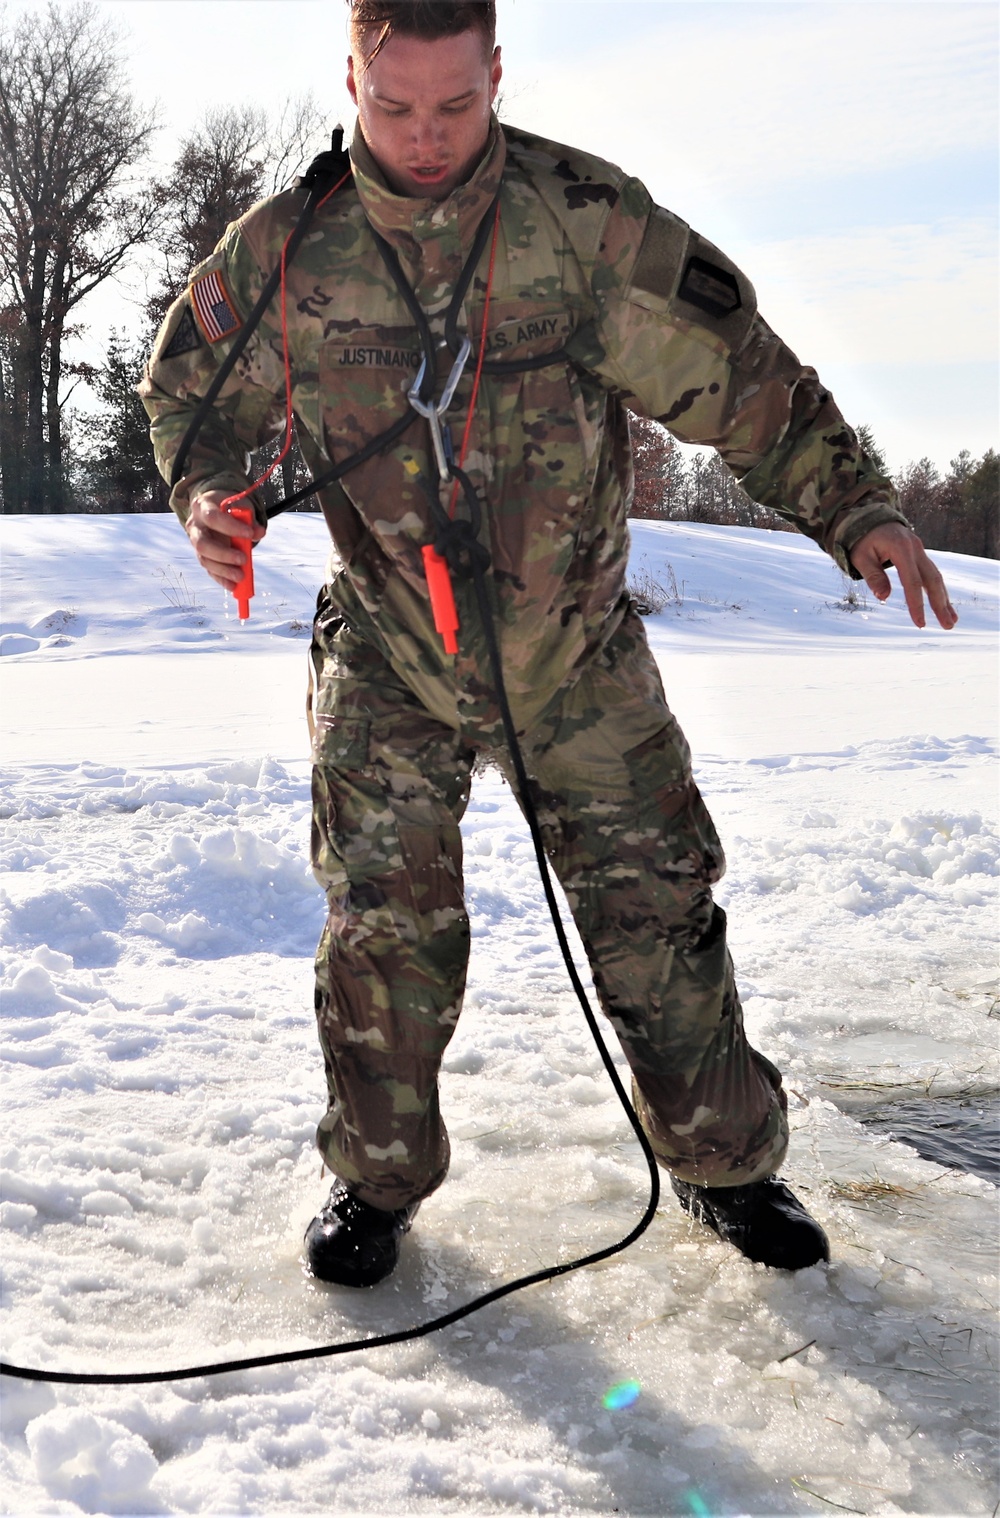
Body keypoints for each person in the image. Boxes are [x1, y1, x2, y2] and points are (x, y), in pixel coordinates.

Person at [140, 0, 956, 1289]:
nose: (423, 136)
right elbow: (188, 396)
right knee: (385, 935)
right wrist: (209, 503)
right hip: (390, 658)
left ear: (497, 74)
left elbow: (739, 377)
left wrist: (855, 508)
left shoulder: (580, 226)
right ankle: (375, 1184)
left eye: (456, 106)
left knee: (658, 918)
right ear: (348, 76)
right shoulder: (291, 254)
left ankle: (728, 1169)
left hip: (575, 658)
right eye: (393, 106)